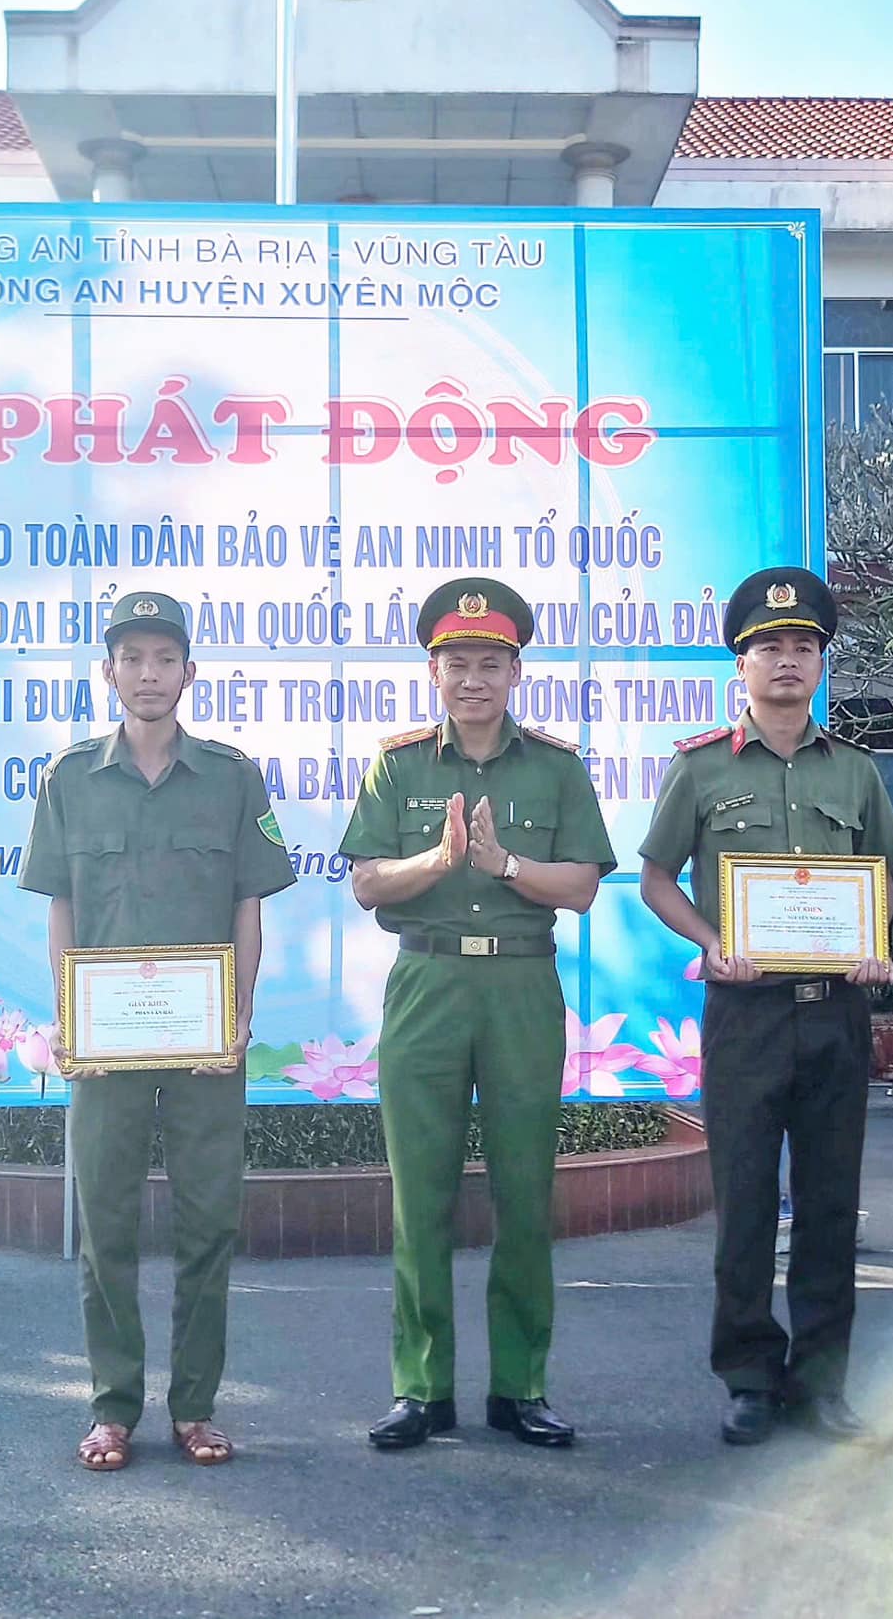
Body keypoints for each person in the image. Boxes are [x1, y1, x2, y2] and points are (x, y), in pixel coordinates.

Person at [19, 589, 298, 1473]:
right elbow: (61, 905)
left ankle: (196, 1407)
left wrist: (242, 1011)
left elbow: (249, 905)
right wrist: (68, 1013)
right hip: (104, 1047)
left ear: (187, 672)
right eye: (131, 658)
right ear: (109, 672)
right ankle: (112, 1407)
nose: (148, 674)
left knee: (209, 1222)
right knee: (105, 1222)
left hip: (206, 1043)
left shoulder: (232, 775)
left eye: (164, 658)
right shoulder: (69, 778)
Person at [339, 576, 617, 1451]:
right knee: (419, 1197)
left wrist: (501, 867)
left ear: (515, 671)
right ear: (433, 670)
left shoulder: (556, 766)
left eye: (490, 663)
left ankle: (519, 1388)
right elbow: (366, 882)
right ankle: (421, 1391)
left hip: (522, 988)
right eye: (457, 663)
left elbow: (580, 886)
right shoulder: (398, 763)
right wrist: (441, 857)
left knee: (524, 1194)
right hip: (426, 986)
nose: (473, 680)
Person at [638, 567, 893, 1446]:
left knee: (831, 1204)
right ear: (741, 666)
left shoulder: (859, 772)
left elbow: (885, 877)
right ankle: (750, 1378)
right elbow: (654, 878)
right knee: (746, 1201)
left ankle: (822, 1384)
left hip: (836, 1011)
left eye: (803, 647)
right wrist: (709, 942)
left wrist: (874, 946)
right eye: (769, 647)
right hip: (745, 1011)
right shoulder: (702, 768)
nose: (787, 661)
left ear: (822, 663)